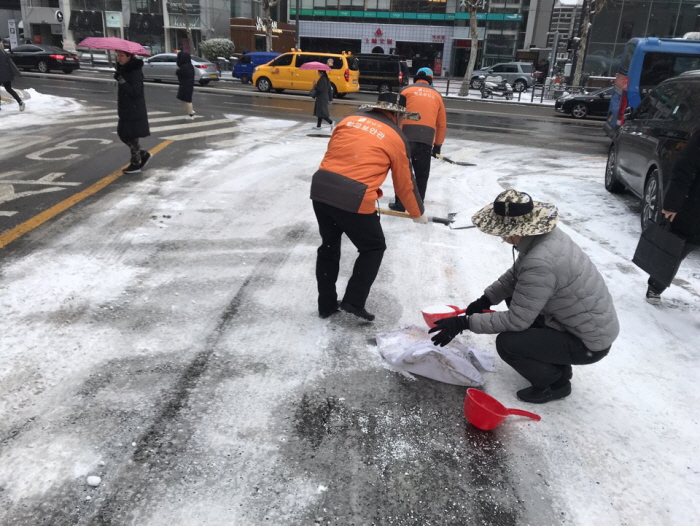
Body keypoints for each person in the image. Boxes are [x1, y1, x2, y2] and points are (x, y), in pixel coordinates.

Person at [429, 190, 619, 403]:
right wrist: (487, 299)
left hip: (588, 343)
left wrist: (464, 322)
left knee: (509, 343)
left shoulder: (541, 261)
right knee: (515, 299)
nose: (502, 238)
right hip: (584, 327)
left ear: (515, 230)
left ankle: (556, 384)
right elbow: (516, 276)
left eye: (502, 232)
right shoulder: (544, 238)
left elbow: (516, 321)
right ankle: (557, 364)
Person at [310, 92, 427, 321]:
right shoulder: (395, 136)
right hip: (354, 196)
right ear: (396, 114)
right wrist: (417, 213)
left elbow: (337, 156)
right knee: (373, 247)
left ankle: (326, 305)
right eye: (402, 117)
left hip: (321, 187)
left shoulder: (349, 120)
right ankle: (354, 301)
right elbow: (405, 184)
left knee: (329, 247)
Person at [645, 128, 700, 305]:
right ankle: (655, 285)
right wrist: (672, 203)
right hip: (695, 206)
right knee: (675, 248)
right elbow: (684, 168)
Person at [389, 67, 446, 212]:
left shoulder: (406, 91)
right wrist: (437, 145)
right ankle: (417, 204)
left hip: (404, 138)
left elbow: (395, 115)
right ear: (430, 81)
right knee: (421, 174)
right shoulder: (437, 96)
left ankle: (401, 204)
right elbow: (441, 124)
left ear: (416, 80)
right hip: (425, 139)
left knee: (403, 172)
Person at [114, 50, 151, 174]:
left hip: (134, 109)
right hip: (126, 109)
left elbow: (135, 92)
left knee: (130, 136)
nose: (119, 58)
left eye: (122, 56)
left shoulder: (134, 71)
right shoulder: (124, 69)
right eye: (118, 55)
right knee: (123, 134)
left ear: (129, 57)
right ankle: (142, 154)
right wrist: (120, 76)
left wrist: (121, 81)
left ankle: (136, 164)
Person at [0, 47, 25, 111]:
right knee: (9, 89)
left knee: (8, 89)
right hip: (7, 74)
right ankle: (20, 102)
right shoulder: (3, 51)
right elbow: (10, 63)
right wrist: (17, 72)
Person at [176, 50, 195, 120]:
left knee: (186, 99)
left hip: (185, 84)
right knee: (185, 99)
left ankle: (191, 113)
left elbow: (180, 74)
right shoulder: (189, 65)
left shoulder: (184, 67)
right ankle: (190, 112)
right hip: (188, 84)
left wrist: (178, 70)